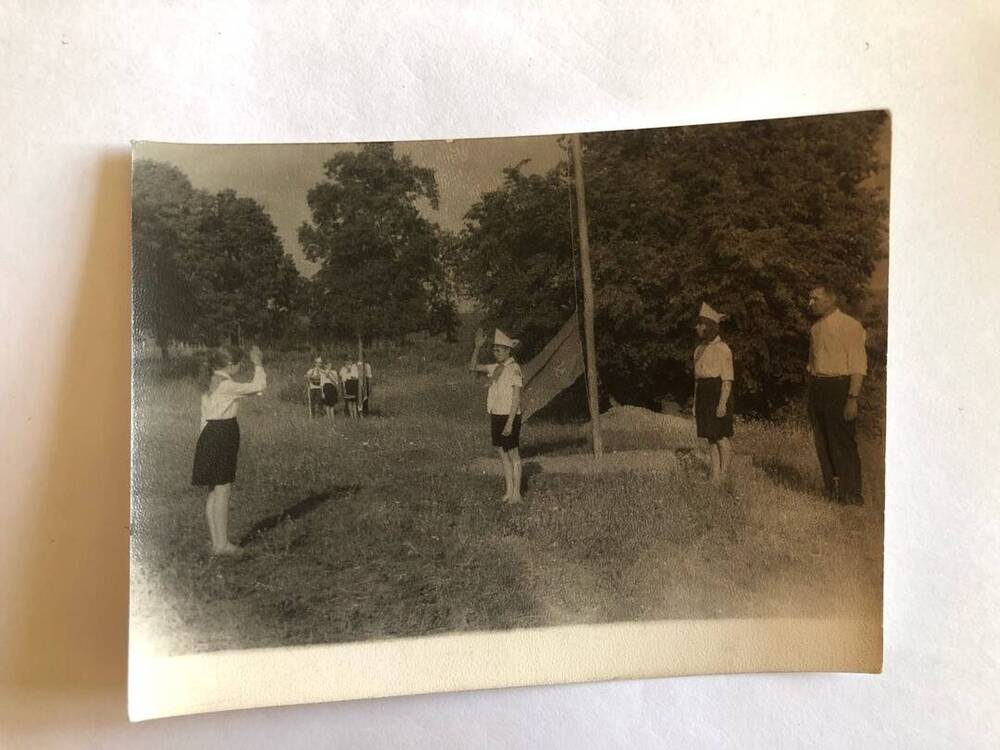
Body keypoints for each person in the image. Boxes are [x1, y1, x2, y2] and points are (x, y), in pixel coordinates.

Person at [192, 345, 266, 555]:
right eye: (239, 363)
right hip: (222, 435)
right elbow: (259, 386)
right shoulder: (226, 385)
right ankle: (222, 545)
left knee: (214, 490)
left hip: (209, 435)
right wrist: (258, 363)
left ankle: (217, 542)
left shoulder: (209, 382)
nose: (241, 366)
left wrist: (204, 442)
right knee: (223, 489)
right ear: (230, 365)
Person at [806, 284, 867, 504]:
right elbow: (812, 364)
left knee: (842, 441)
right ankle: (832, 491)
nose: (809, 303)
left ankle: (851, 494)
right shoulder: (815, 329)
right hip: (818, 387)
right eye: (809, 299)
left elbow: (858, 365)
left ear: (830, 299)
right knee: (822, 441)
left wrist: (852, 398)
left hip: (840, 388)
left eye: (814, 298)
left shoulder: (850, 326)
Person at [469, 327, 524, 504]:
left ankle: (517, 493)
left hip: (510, 416)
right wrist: (477, 347)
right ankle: (508, 490)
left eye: (498, 349)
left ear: (508, 350)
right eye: (493, 349)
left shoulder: (514, 369)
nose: (495, 352)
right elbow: (472, 367)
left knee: (513, 453)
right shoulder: (494, 368)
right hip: (496, 415)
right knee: (502, 453)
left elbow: (516, 398)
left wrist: (509, 423)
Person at [693, 302, 735, 486]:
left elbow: (727, 380)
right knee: (710, 437)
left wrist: (722, 404)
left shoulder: (723, 349)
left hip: (717, 393)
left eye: (701, 324)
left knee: (720, 436)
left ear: (709, 326)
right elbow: (696, 380)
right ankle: (714, 474)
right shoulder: (699, 349)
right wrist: (695, 403)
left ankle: (724, 474)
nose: (697, 327)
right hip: (703, 392)